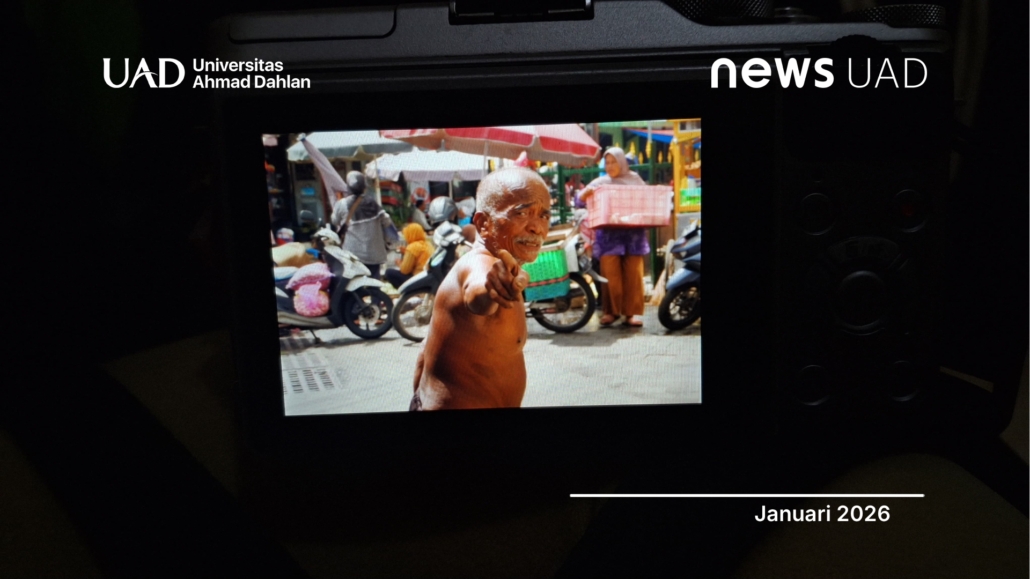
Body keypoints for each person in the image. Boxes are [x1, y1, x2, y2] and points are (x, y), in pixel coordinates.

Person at [409, 167, 550, 411]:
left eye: (544, 216)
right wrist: (492, 286)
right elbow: (478, 292)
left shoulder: (481, 262)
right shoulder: (481, 264)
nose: (537, 227)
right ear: (484, 224)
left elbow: (426, 348)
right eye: (522, 213)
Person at [577, 147, 649, 327]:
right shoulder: (600, 182)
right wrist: (584, 194)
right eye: (607, 163)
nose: (609, 166)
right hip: (609, 237)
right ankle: (611, 312)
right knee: (610, 275)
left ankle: (630, 314)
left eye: (613, 162)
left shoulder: (635, 180)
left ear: (622, 162)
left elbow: (647, 199)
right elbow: (579, 200)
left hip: (633, 236)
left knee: (633, 275)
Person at [331, 171, 396, 280]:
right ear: (364, 187)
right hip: (374, 254)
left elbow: (334, 221)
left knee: (354, 284)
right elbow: (387, 221)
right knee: (374, 283)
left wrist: (338, 202)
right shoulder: (373, 203)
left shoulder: (342, 204)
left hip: (353, 255)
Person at [384, 223, 432, 289]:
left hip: (417, 278)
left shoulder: (413, 247)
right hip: (427, 277)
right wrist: (406, 252)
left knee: (389, 272)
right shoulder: (428, 244)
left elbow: (405, 270)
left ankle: (406, 291)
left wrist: (399, 263)